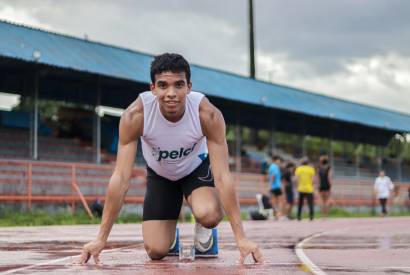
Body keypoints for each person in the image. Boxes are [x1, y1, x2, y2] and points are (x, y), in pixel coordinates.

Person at [78, 53, 263, 264]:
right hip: (161, 175)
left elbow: (223, 176)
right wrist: (100, 239)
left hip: (196, 170)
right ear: (153, 88)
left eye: (179, 85)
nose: (171, 93)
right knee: (156, 251)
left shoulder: (207, 114)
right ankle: (169, 234)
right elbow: (120, 178)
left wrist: (241, 238)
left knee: (209, 214)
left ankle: (205, 230)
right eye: (163, 85)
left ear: (189, 87)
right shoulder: (135, 115)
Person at [267, 155, 284, 219]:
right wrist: (271, 185)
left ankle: (275, 213)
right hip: (276, 186)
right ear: (275, 160)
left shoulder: (271, 167)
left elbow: (270, 176)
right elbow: (273, 176)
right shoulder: (275, 167)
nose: (279, 161)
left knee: (274, 201)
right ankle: (279, 214)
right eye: (279, 160)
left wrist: (270, 186)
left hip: (273, 186)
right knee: (281, 201)